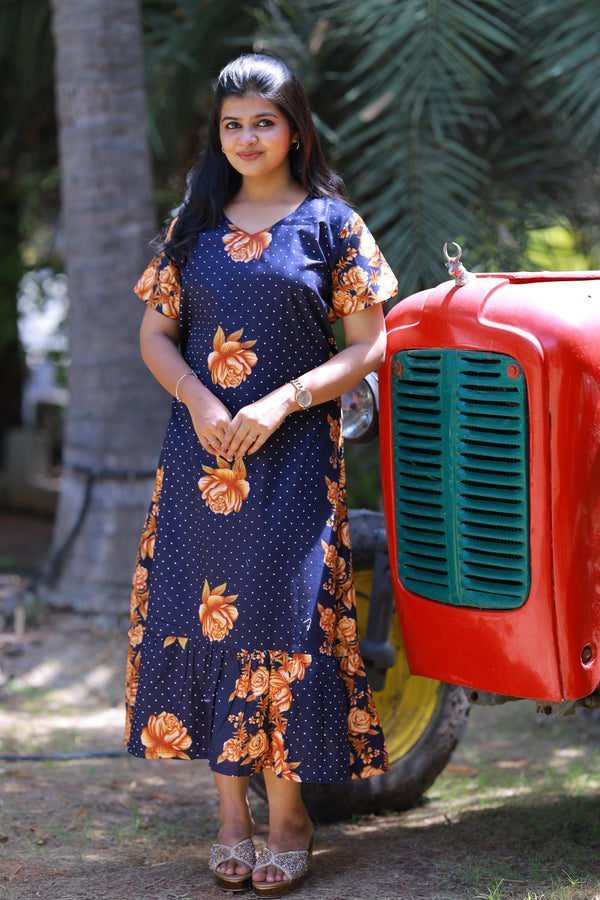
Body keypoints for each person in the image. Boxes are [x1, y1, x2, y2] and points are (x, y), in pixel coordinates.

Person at [125, 52, 398, 897]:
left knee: (285, 627)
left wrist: (282, 401)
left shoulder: (332, 226)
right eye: (232, 124)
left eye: (264, 122)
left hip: (294, 465)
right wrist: (200, 400)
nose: (247, 138)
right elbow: (154, 335)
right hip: (199, 459)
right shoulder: (195, 220)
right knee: (204, 623)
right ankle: (231, 820)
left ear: (295, 130)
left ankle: (290, 820)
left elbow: (369, 343)